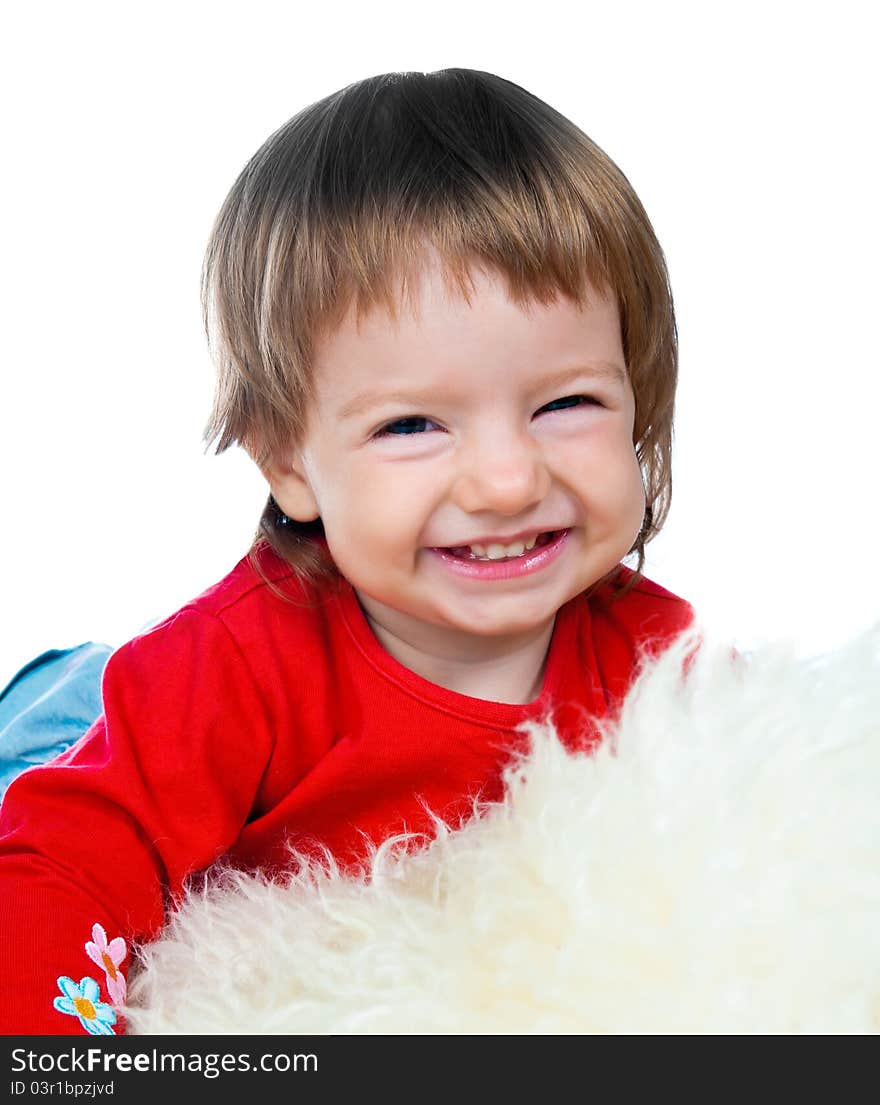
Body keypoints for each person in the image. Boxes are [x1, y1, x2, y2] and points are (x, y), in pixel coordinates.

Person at [0, 68, 697, 1035]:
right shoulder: (231, 668)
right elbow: (63, 861)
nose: (505, 480)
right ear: (288, 463)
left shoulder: (661, 668)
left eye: (567, 403)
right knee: (56, 742)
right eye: (413, 424)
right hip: (75, 727)